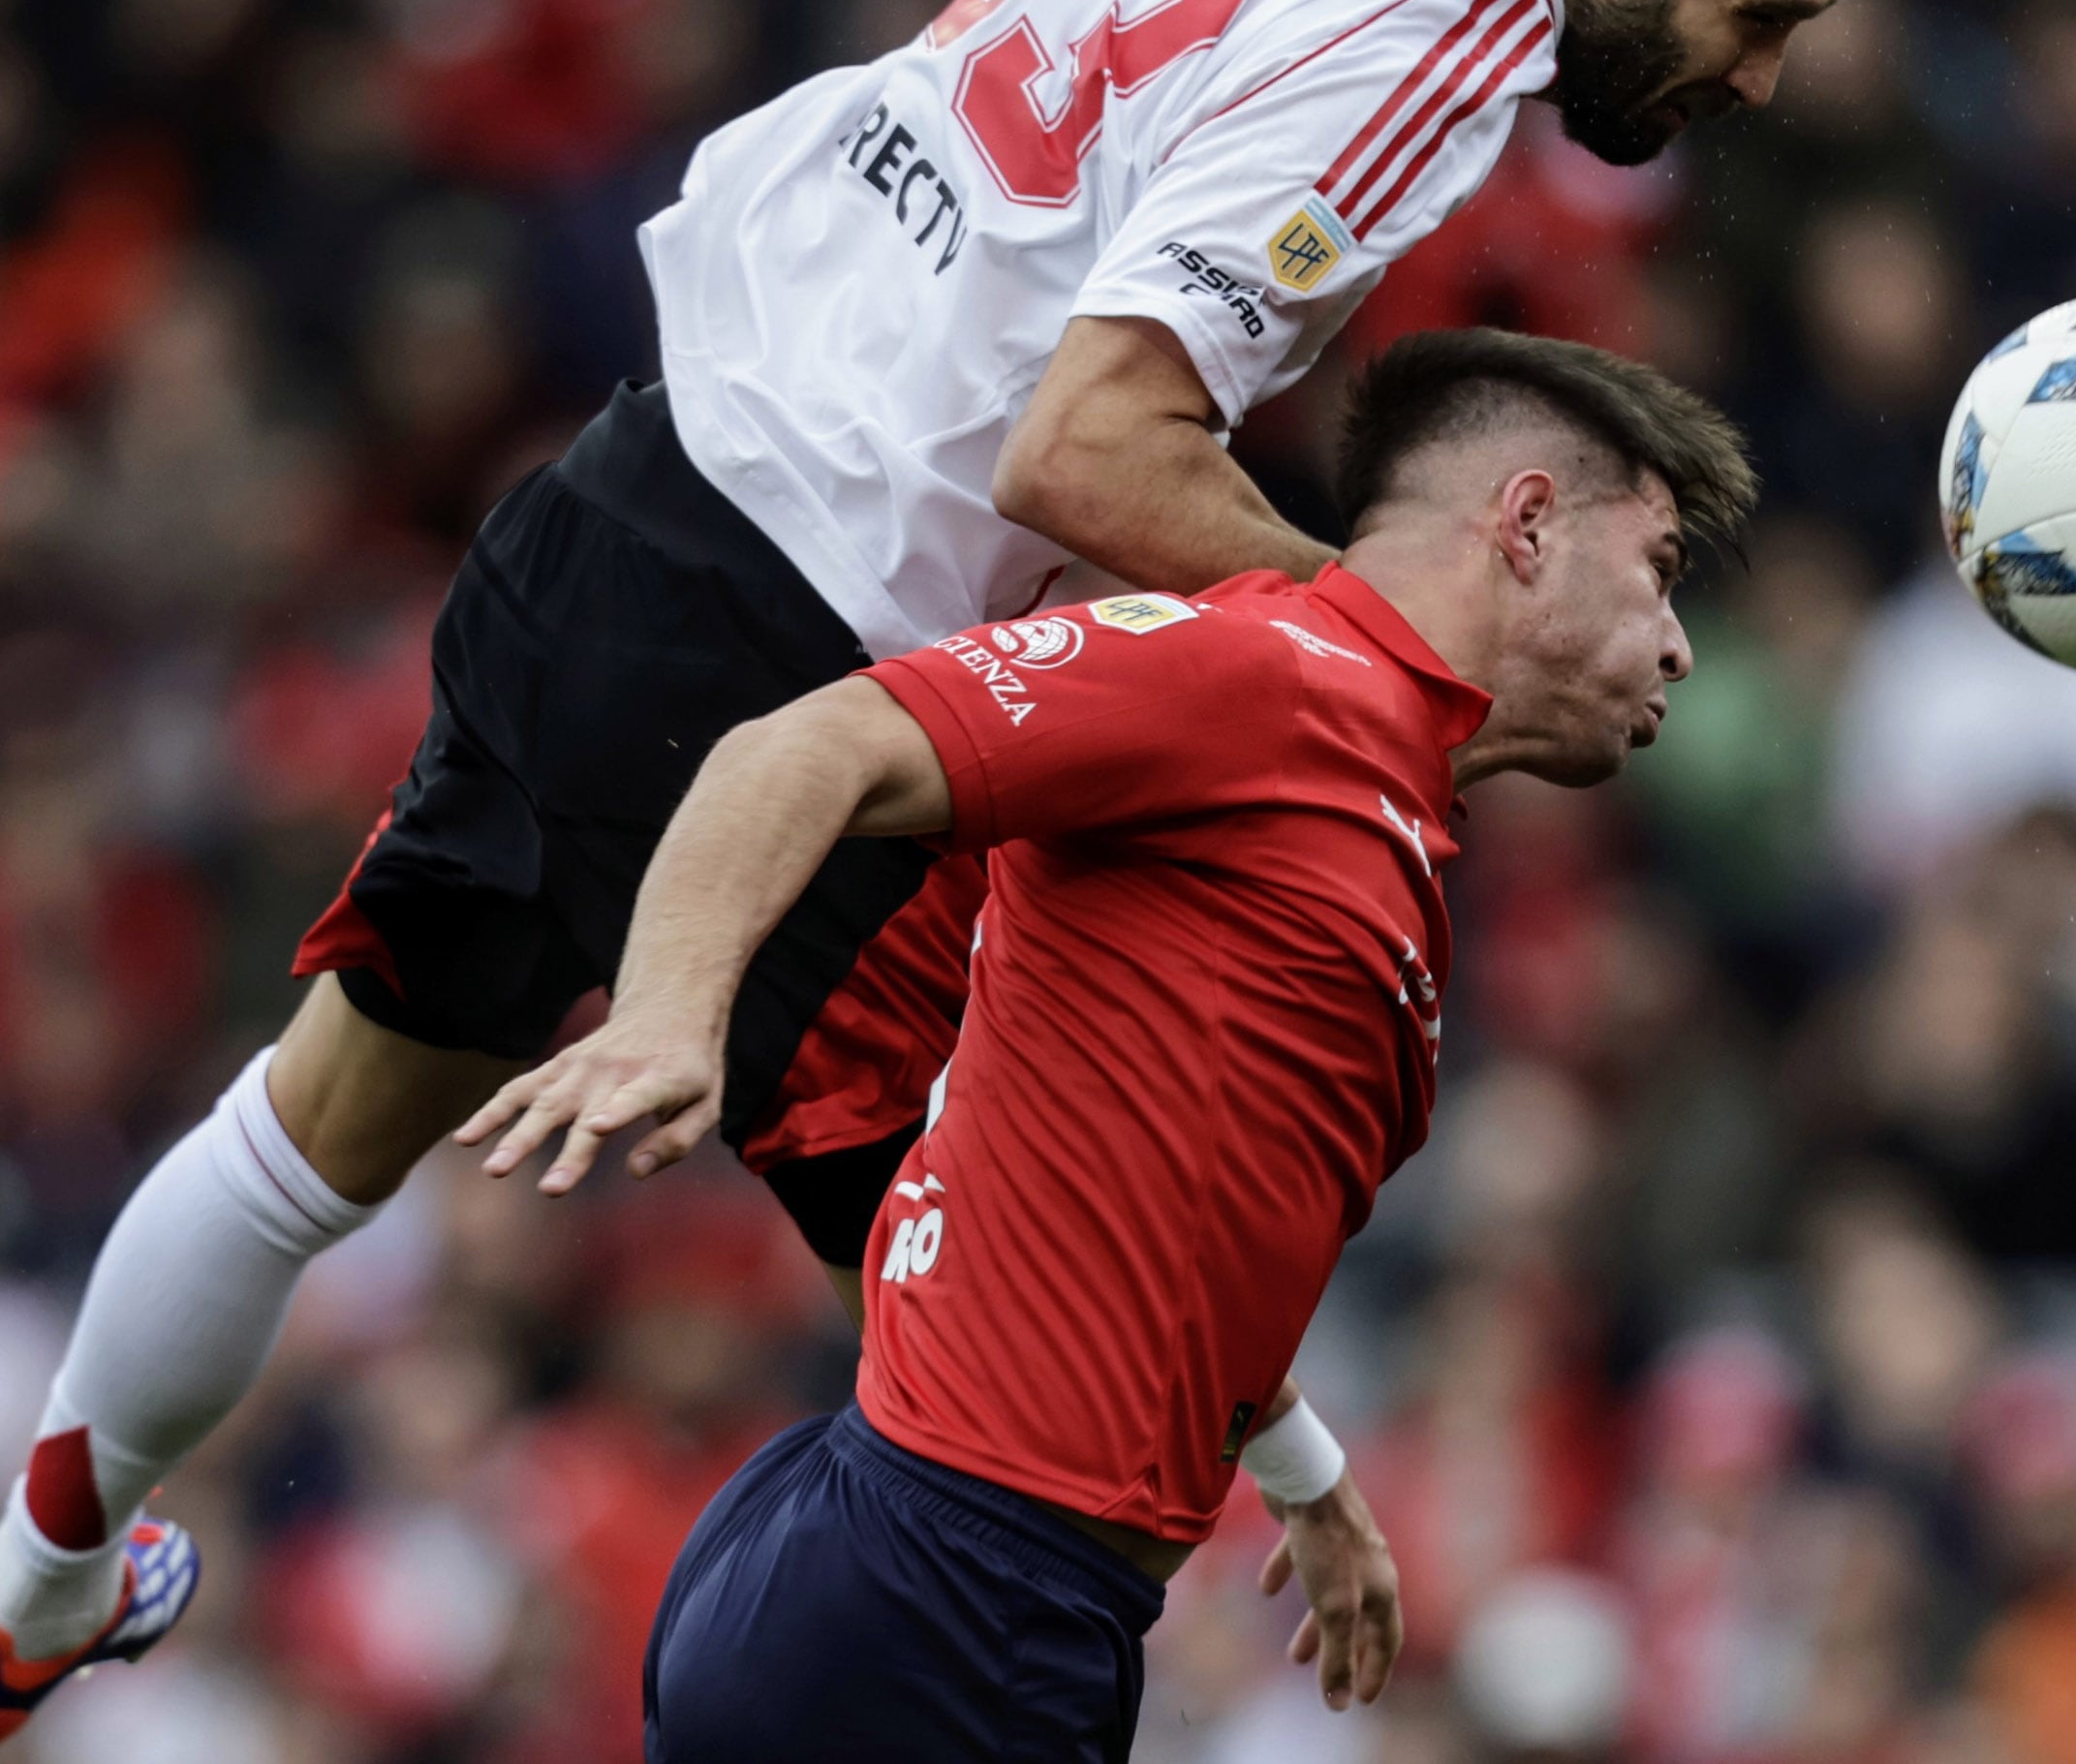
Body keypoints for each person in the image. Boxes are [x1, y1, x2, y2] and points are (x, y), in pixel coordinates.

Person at [0, 0, 1922, 1737]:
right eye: (1757, 7)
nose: (1763, 76)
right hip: (812, 648)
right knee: (1022, 1326)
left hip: (631, 496)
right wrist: (1392, 648)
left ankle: (40, 1585)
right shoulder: (1439, 52)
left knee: (324, 1113)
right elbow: (1087, 455)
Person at [464, 329, 1754, 1759]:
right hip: (944, 1588)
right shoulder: (1264, 672)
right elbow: (805, 748)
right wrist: (667, 1010)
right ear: (1526, 524)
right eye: (1660, 567)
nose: (1679, 643)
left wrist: (1304, 1473)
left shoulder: (1377, 806)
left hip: (948, 1577)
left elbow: (1179, 1226)